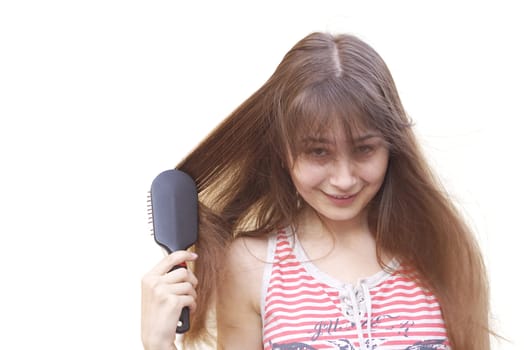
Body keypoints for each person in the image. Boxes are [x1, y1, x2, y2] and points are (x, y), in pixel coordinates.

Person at [141, 32, 492, 350]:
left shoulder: (441, 248)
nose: (343, 178)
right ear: (282, 152)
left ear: (392, 146)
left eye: (364, 149)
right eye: (318, 152)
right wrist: (158, 344)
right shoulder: (251, 265)